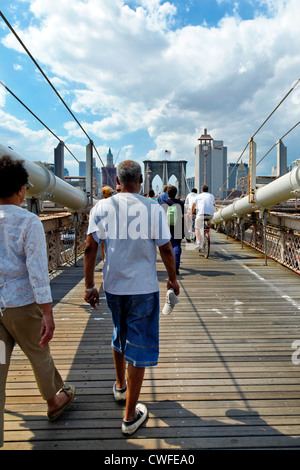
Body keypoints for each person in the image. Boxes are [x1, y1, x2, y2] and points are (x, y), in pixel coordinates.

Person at [84, 160, 179, 435]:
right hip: (143, 288)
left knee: (119, 332)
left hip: (113, 287)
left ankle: (120, 386)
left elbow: (90, 248)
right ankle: (129, 416)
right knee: (139, 346)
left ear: (118, 180)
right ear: (140, 180)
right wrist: (172, 279)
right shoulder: (152, 208)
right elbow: (165, 250)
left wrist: (90, 286)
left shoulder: (101, 207)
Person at [0, 155, 75, 448]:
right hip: (22, 309)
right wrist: (47, 313)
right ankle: (55, 400)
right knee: (38, 351)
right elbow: (37, 271)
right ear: (22, 190)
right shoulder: (28, 222)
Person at [162, 185, 185, 275]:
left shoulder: (163, 203)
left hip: (167, 226)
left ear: (167, 193)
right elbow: (184, 215)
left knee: (167, 247)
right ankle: (175, 267)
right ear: (176, 193)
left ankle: (170, 267)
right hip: (178, 225)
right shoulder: (181, 203)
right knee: (176, 246)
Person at [192, 184, 215, 250]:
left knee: (196, 227)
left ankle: (198, 242)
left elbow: (193, 206)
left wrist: (191, 214)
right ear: (208, 190)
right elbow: (213, 205)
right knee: (209, 222)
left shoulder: (198, 196)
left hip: (201, 215)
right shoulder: (212, 196)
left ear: (201, 190)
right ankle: (207, 232)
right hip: (210, 215)